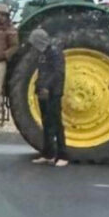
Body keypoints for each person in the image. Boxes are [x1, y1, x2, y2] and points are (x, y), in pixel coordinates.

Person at [29, 28, 68, 167]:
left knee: (56, 123)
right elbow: (42, 72)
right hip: (43, 92)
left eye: (34, 42)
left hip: (53, 92)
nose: (33, 46)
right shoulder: (42, 54)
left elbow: (58, 73)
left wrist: (46, 86)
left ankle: (63, 155)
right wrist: (38, 87)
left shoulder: (55, 52)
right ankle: (48, 154)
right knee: (46, 124)